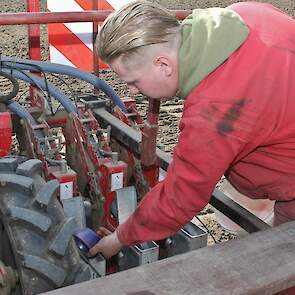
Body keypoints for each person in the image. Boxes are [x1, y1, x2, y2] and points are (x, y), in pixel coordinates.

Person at [91, 0, 295, 268]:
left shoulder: (213, 112)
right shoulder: (244, 14)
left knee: (282, 264)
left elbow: (182, 196)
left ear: (163, 65)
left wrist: (119, 238)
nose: (131, 91)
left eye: (133, 82)